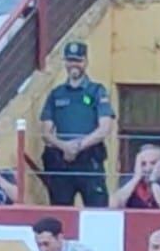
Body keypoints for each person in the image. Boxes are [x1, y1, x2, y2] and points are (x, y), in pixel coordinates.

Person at [39, 41, 115, 208]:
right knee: (60, 210)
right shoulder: (55, 94)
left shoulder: (97, 91)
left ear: (86, 62)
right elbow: (46, 133)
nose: (74, 64)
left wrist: (78, 146)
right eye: (70, 60)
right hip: (62, 161)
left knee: (98, 210)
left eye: (78, 60)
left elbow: (105, 128)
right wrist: (64, 147)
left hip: (90, 159)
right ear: (65, 62)